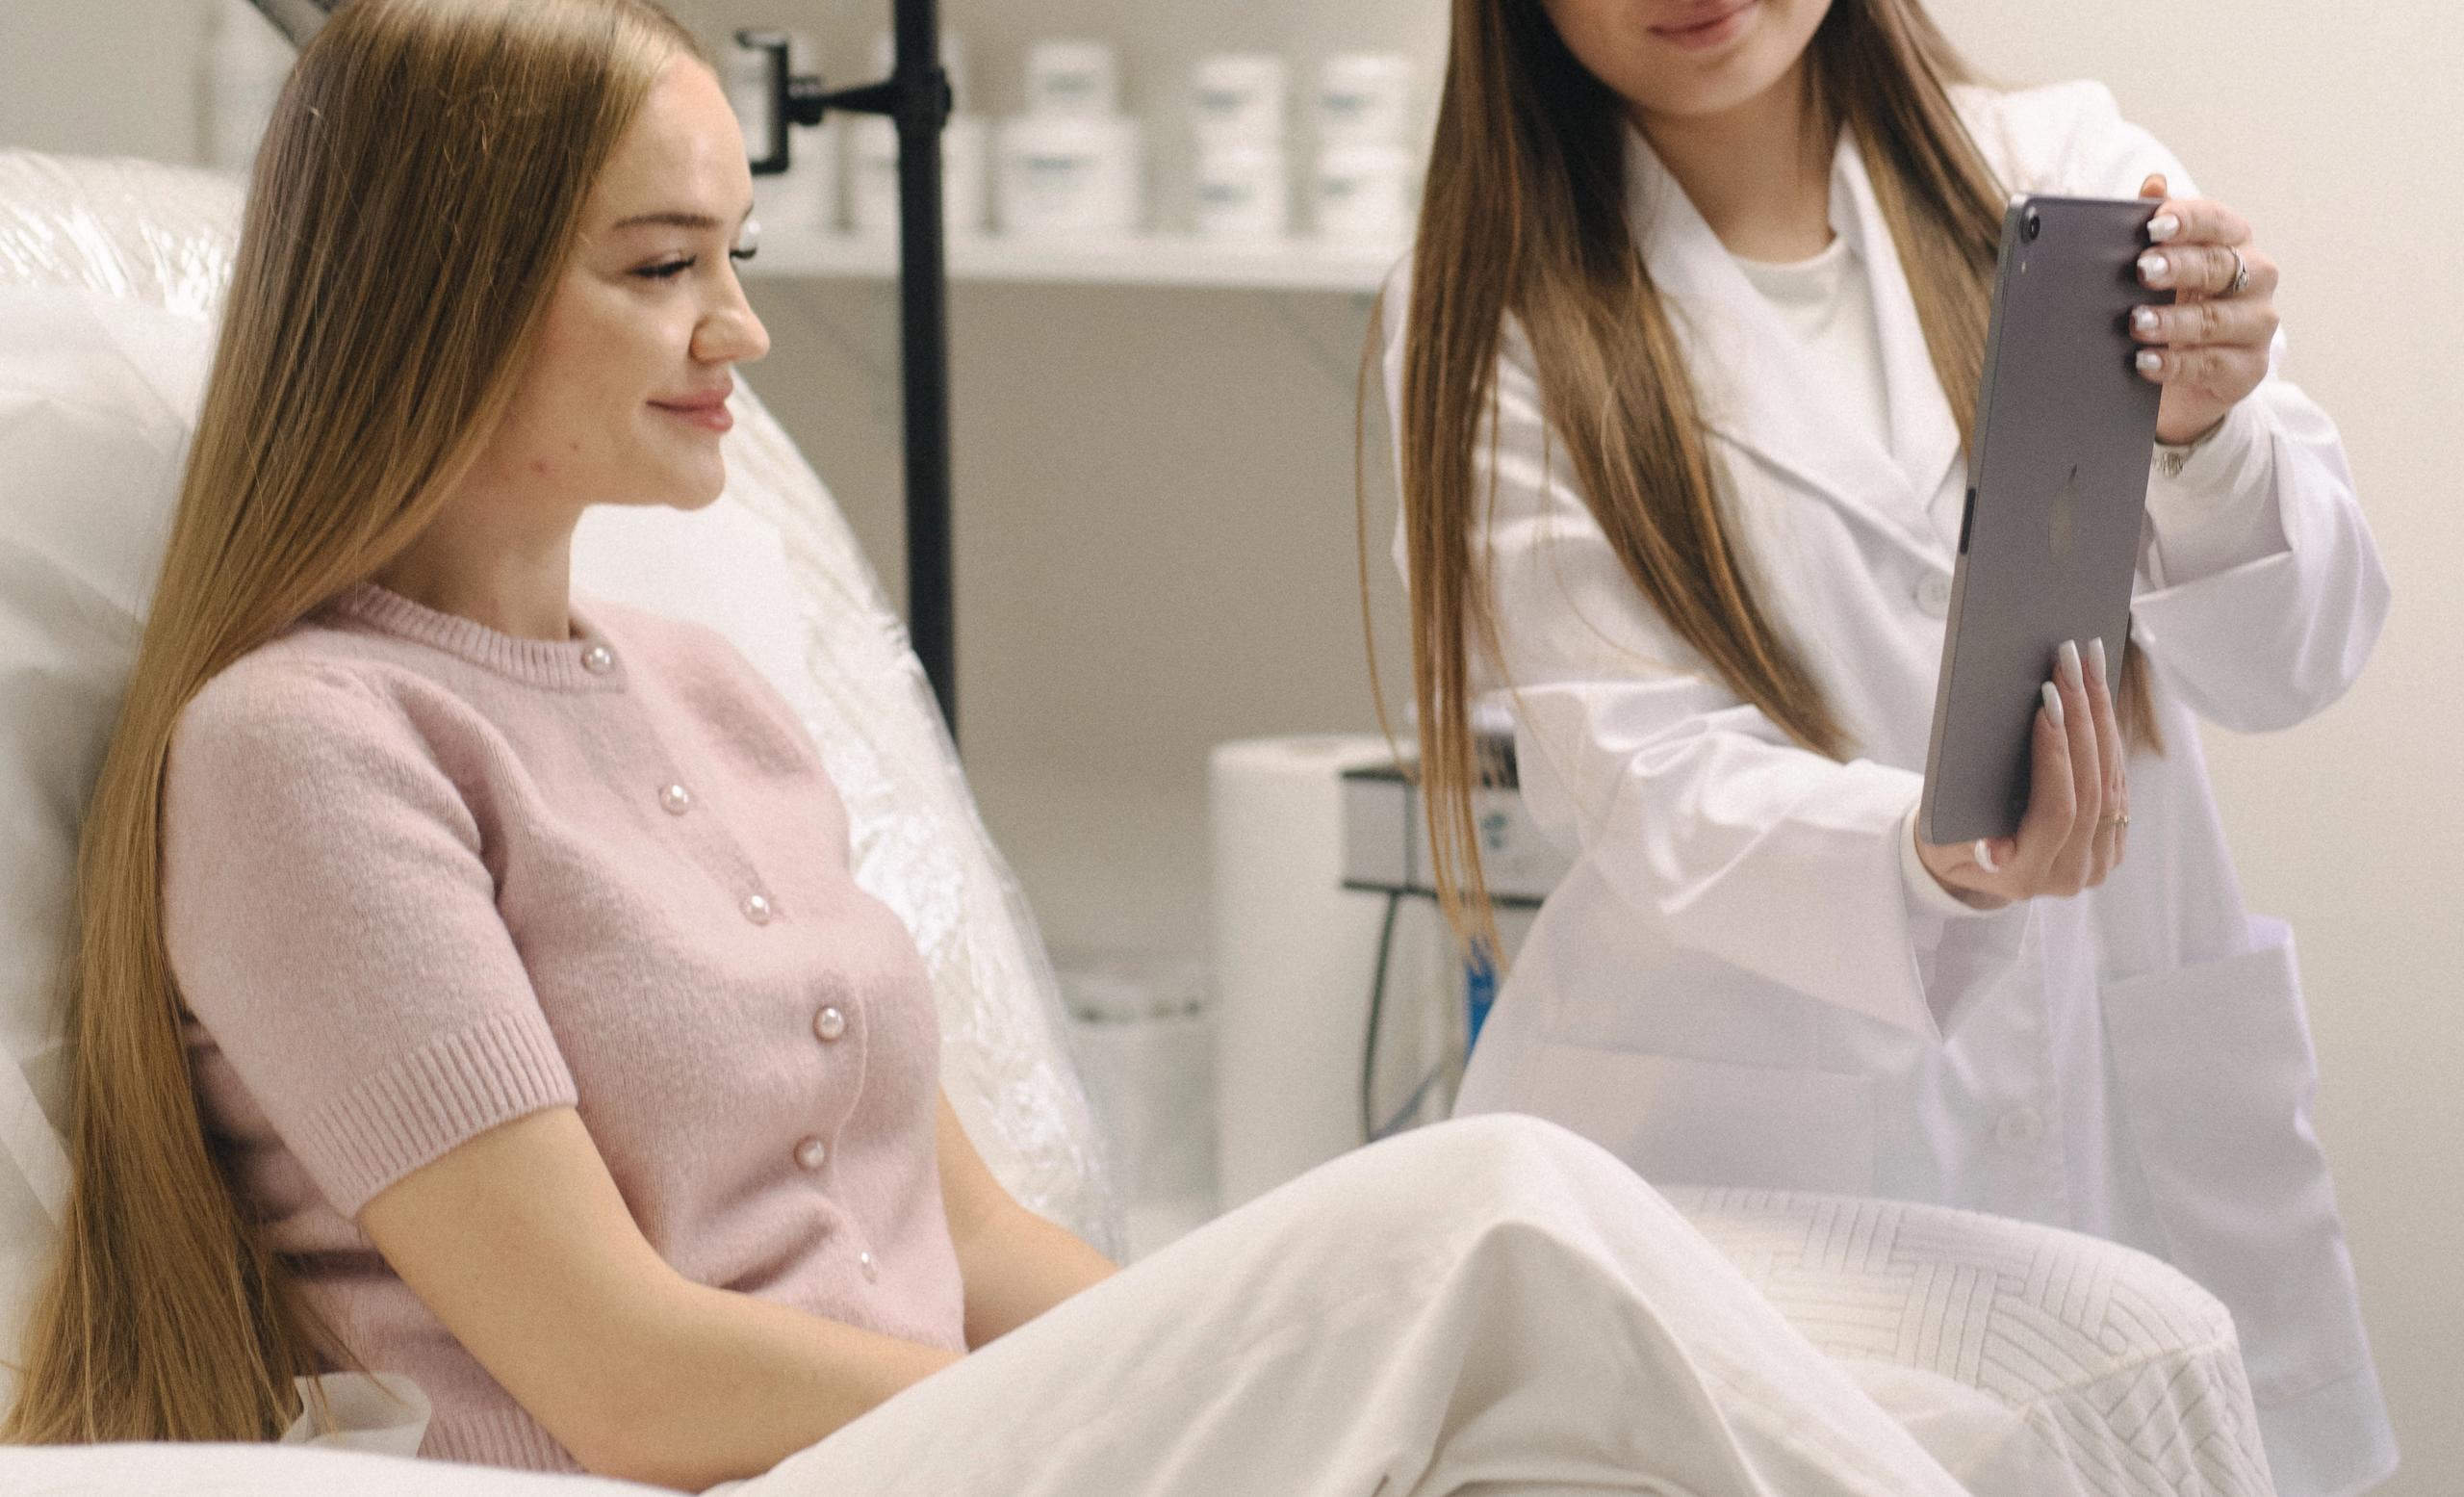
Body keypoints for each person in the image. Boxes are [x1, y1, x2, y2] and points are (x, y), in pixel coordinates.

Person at [0, 2, 2153, 1493]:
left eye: (734, 256)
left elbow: (986, 1240)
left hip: (962, 1432)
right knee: (1499, 1207)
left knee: (2051, 1333)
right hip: (756, 1467)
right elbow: (615, 1372)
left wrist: (1203, 1349)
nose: (742, 330)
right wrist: (1182, 1393)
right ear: (432, 299)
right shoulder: (306, 751)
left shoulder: (710, 694)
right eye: (666, 268)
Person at [1378, 2, 2394, 1493]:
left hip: (2129, 1099)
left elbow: (2298, 653)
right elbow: (1641, 770)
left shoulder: (2065, 170)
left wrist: (2207, 437)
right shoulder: (1496, 310)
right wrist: (1928, 862)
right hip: (1752, 1171)